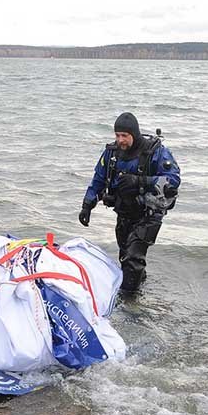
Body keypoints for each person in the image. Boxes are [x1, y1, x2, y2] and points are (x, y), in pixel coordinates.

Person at [79, 112, 181, 296]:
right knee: (126, 259)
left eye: (124, 136)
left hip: (149, 214)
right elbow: (98, 181)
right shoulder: (111, 154)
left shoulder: (155, 152)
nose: (120, 141)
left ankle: (129, 304)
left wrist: (140, 181)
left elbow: (172, 181)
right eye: (117, 136)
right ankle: (140, 291)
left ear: (134, 133)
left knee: (132, 260)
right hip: (125, 212)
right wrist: (87, 206)